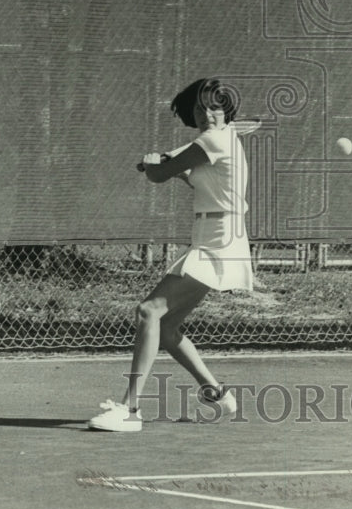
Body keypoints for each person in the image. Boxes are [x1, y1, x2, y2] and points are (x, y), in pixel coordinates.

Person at [88, 77, 253, 433]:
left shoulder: (213, 139)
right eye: (199, 107)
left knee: (149, 311)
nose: (207, 113)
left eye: (215, 106)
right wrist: (163, 165)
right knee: (165, 327)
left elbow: (161, 175)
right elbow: (193, 176)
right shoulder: (222, 141)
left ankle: (130, 410)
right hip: (217, 237)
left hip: (219, 240)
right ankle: (217, 394)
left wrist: (153, 165)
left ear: (227, 112)